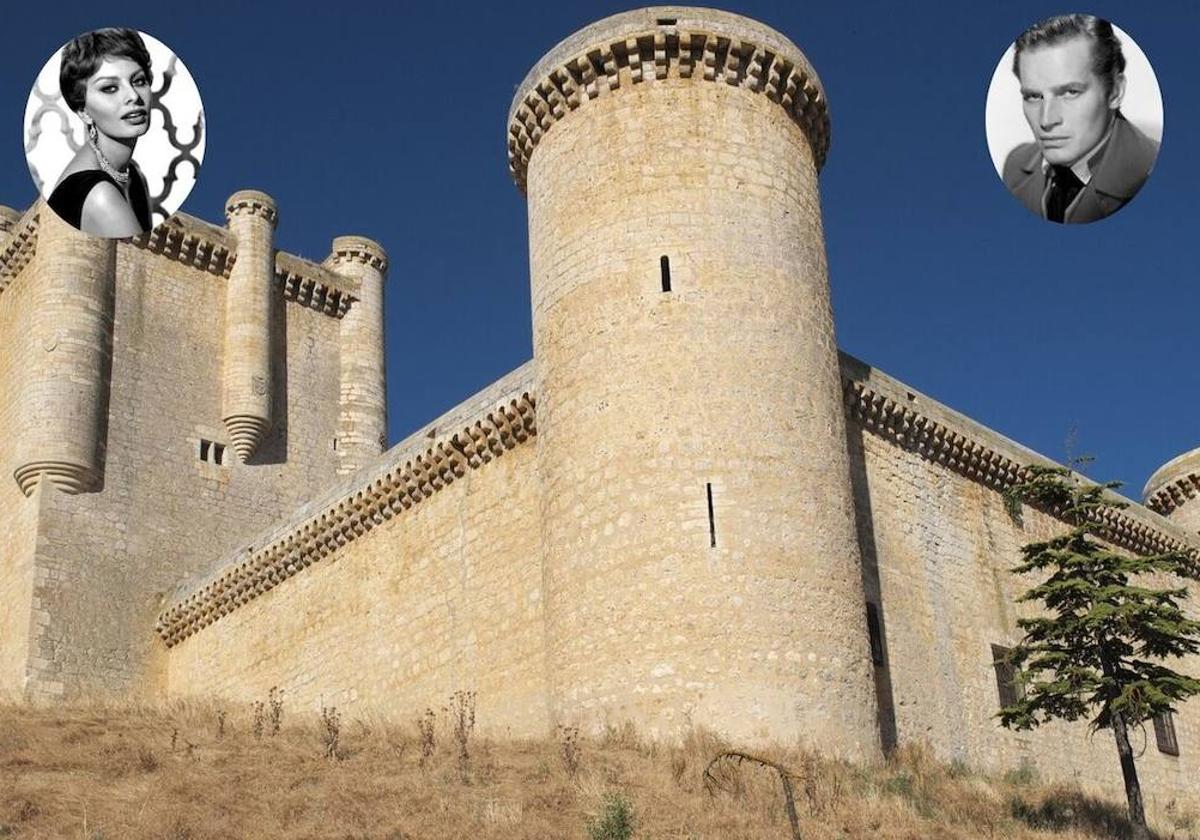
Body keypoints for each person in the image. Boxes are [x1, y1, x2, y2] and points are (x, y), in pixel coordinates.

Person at [1002, 15, 1159, 224]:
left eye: (1070, 92)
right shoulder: (1015, 167)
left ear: (1115, 92)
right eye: (1033, 96)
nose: (1046, 120)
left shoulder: (1159, 175)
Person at [47, 28, 154, 237]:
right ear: (83, 111)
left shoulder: (133, 178)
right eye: (110, 88)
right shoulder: (99, 194)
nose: (133, 96)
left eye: (139, 81)